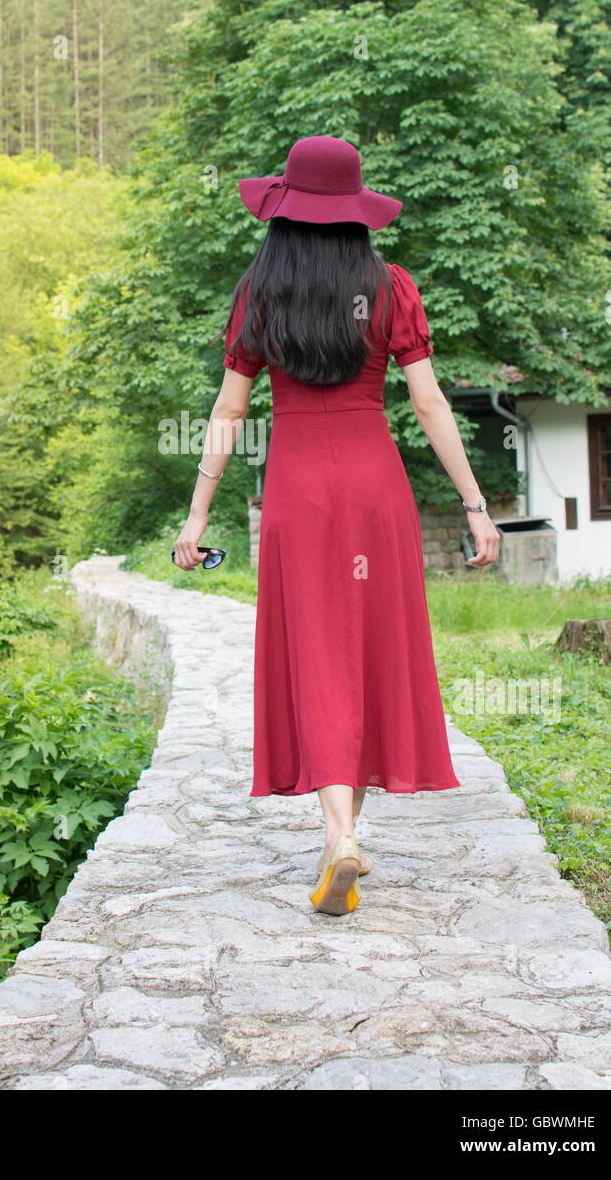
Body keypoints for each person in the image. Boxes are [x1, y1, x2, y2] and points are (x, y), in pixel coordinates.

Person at [173, 136, 500, 916]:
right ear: (356, 216)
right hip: (374, 487)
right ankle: (342, 837)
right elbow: (428, 404)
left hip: (296, 492)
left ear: (284, 214)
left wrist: (197, 515)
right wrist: (476, 505)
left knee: (316, 649)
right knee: (369, 649)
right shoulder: (390, 289)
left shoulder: (260, 292)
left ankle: (339, 837)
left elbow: (228, 411)